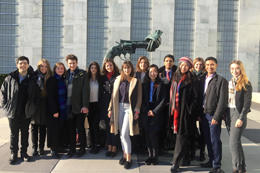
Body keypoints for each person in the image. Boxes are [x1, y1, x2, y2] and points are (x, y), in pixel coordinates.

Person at [108, 61, 142, 169]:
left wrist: (137, 110)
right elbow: (113, 96)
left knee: (124, 134)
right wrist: (110, 109)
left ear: (131, 69)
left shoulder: (136, 81)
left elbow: (139, 98)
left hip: (129, 109)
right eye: (125, 68)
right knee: (120, 134)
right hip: (119, 108)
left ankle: (129, 158)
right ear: (122, 69)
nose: (127, 70)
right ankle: (124, 155)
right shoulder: (118, 79)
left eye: (128, 68)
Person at [0, 56, 33, 164]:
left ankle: (24, 153)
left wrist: (33, 107)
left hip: (26, 112)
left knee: (25, 133)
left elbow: (36, 94)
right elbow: (2, 93)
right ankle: (13, 153)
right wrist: (5, 107)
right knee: (14, 134)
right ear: (17, 65)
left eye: (25, 63)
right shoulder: (10, 78)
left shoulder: (31, 77)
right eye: (20, 63)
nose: (22, 65)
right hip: (13, 111)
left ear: (28, 65)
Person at [169, 57, 198, 173]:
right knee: (182, 136)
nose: (183, 67)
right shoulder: (176, 77)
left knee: (181, 136)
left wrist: (190, 110)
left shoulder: (192, 79)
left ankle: (175, 162)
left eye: (186, 65)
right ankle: (184, 158)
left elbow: (196, 97)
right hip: (176, 111)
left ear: (189, 67)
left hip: (185, 113)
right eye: (182, 65)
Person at [200, 57, 228, 173]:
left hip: (213, 115)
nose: (209, 67)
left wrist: (217, 117)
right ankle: (211, 161)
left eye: (212, 64)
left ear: (216, 65)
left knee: (215, 140)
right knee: (207, 139)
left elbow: (222, 101)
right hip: (203, 114)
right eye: (207, 65)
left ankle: (217, 166)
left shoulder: (221, 80)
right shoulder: (202, 79)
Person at [228, 60, 252, 173]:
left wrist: (241, 118)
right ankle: (242, 168)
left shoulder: (246, 83)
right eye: (232, 68)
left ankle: (236, 168)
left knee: (233, 143)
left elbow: (247, 104)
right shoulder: (230, 82)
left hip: (238, 114)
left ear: (241, 69)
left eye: (237, 68)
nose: (234, 71)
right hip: (229, 113)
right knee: (236, 142)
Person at [141, 64, 166, 165]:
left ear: (157, 73)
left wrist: (154, 111)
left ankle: (155, 156)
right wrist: (146, 110)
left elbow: (164, 100)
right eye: (151, 71)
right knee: (147, 135)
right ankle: (150, 155)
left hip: (156, 112)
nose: (153, 73)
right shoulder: (144, 84)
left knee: (154, 135)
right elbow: (141, 99)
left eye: (155, 71)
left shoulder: (161, 84)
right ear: (148, 73)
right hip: (146, 111)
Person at [65, 54, 89, 157]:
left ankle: (82, 148)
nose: (72, 65)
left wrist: (85, 106)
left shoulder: (82, 74)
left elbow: (85, 91)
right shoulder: (65, 74)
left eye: (73, 63)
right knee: (70, 129)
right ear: (67, 63)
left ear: (77, 63)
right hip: (68, 107)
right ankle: (72, 149)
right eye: (70, 63)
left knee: (80, 128)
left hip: (79, 107)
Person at [28, 58, 52, 156]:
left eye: (45, 66)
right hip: (35, 105)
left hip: (45, 105)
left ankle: (41, 148)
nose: (43, 68)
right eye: (41, 66)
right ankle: (34, 148)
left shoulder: (50, 77)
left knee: (43, 128)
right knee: (34, 127)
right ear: (38, 66)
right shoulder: (33, 76)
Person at [46, 62, 67, 158]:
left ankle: (59, 147)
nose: (60, 70)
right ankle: (53, 149)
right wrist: (54, 111)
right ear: (55, 69)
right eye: (58, 68)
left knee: (60, 129)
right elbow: (50, 97)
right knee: (53, 130)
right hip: (55, 110)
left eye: (62, 68)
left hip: (63, 109)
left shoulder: (63, 79)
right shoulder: (52, 80)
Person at [100, 58, 120, 157]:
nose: (109, 67)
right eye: (107, 65)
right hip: (104, 105)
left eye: (110, 65)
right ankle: (109, 146)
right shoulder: (102, 77)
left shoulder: (118, 77)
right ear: (104, 67)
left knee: (114, 126)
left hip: (114, 105)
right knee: (108, 127)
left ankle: (114, 147)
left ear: (114, 66)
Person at [158, 54, 177, 151]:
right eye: (167, 61)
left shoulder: (177, 73)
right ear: (164, 62)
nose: (169, 62)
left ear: (173, 62)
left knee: (172, 125)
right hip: (162, 103)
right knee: (162, 124)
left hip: (173, 103)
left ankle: (171, 144)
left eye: (170, 61)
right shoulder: (159, 73)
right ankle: (162, 145)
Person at [133, 55, 150, 154]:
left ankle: (144, 147)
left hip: (146, 103)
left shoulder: (149, 74)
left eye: (145, 63)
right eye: (141, 62)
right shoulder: (136, 75)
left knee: (145, 126)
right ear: (139, 64)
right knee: (136, 125)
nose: (143, 64)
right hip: (137, 103)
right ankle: (136, 146)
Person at [191, 57, 207, 161]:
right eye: (197, 64)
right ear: (193, 65)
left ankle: (202, 152)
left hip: (202, 108)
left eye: (201, 65)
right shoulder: (190, 75)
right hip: (192, 107)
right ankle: (192, 151)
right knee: (192, 131)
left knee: (203, 132)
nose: (198, 66)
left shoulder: (205, 76)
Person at [87, 61, 102, 154]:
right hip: (89, 105)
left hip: (97, 104)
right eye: (92, 68)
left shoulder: (100, 79)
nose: (93, 69)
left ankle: (97, 145)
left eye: (95, 68)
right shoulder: (87, 79)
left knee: (95, 125)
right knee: (90, 126)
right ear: (90, 69)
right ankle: (92, 144)